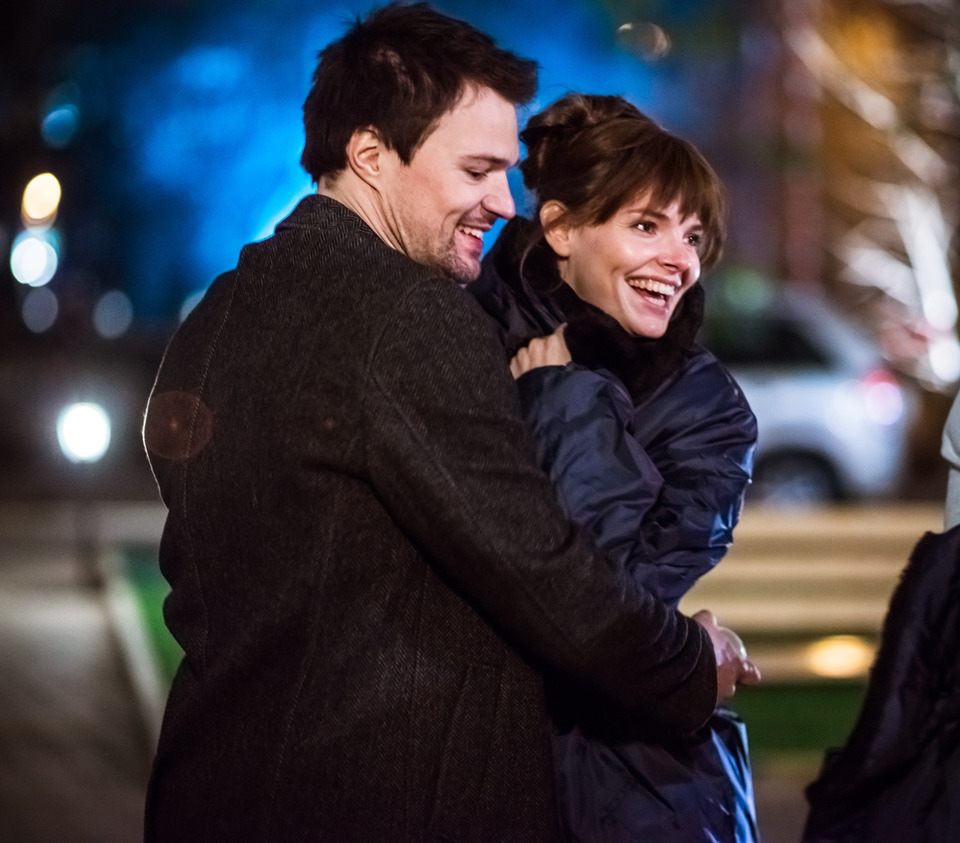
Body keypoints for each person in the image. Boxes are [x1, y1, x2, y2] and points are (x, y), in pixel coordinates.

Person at [140, 5, 753, 841]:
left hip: (212, 790)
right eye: (476, 170)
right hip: (378, 803)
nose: (504, 202)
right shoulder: (409, 317)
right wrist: (692, 662)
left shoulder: (219, 312)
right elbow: (542, 570)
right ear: (370, 154)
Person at [470, 93, 761, 841]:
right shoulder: (456, 337)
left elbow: (610, 608)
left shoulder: (708, 411)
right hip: (460, 767)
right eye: (646, 225)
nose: (680, 260)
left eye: (692, 236)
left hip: (633, 791)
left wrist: (565, 401)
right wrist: (698, 649)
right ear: (561, 228)